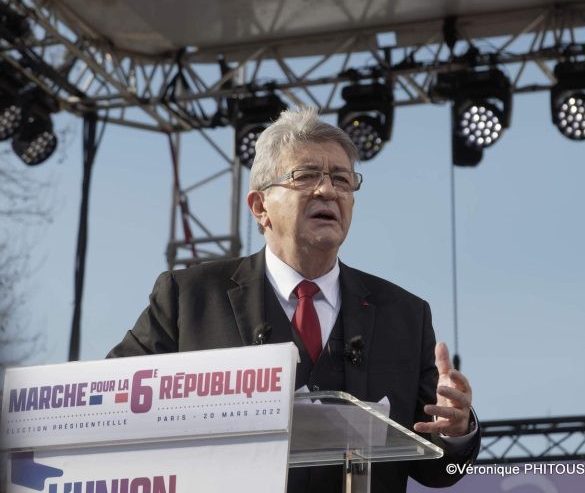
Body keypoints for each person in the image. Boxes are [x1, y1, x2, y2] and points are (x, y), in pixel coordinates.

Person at [108, 106, 479, 491]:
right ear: (259, 207)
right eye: (305, 176)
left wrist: (457, 430)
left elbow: (441, 472)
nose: (328, 190)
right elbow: (112, 402)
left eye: (341, 179)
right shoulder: (189, 299)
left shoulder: (404, 315)